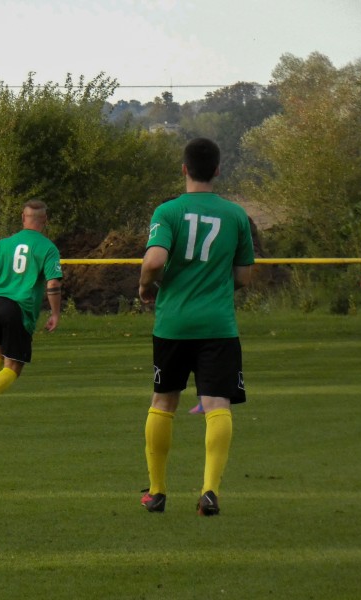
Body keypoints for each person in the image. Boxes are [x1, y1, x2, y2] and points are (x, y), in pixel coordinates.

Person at [138, 138, 255, 516]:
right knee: (218, 404)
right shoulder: (236, 215)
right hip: (218, 325)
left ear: (184, 169)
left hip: (173, 323)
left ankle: (157, 491)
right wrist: (215, 288)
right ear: (217, 170)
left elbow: (154, 261)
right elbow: (244, 277)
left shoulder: (168, 211)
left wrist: (144, 286)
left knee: (163, 402)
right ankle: (209, 491)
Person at [0, 199, 63, 425]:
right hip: (18, 308)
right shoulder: (48, 248)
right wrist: (55, 313)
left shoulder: (4, 243)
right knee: (14, 366)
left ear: (22, 218)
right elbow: (53, 283)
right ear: (45, 220)